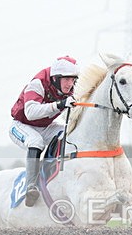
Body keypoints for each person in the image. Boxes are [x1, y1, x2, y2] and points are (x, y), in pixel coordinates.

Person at [9, 55, 79, 207]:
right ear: (55, 78)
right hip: (21, 125)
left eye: (73, 79)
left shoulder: (72, 89)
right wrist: (59, 105)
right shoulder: (37, 84)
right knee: (36, 141)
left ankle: (56, 173)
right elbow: (31, 113)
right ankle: (31, 186)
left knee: (68, 133)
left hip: (45, 127)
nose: (70, 84)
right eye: (66, 79)